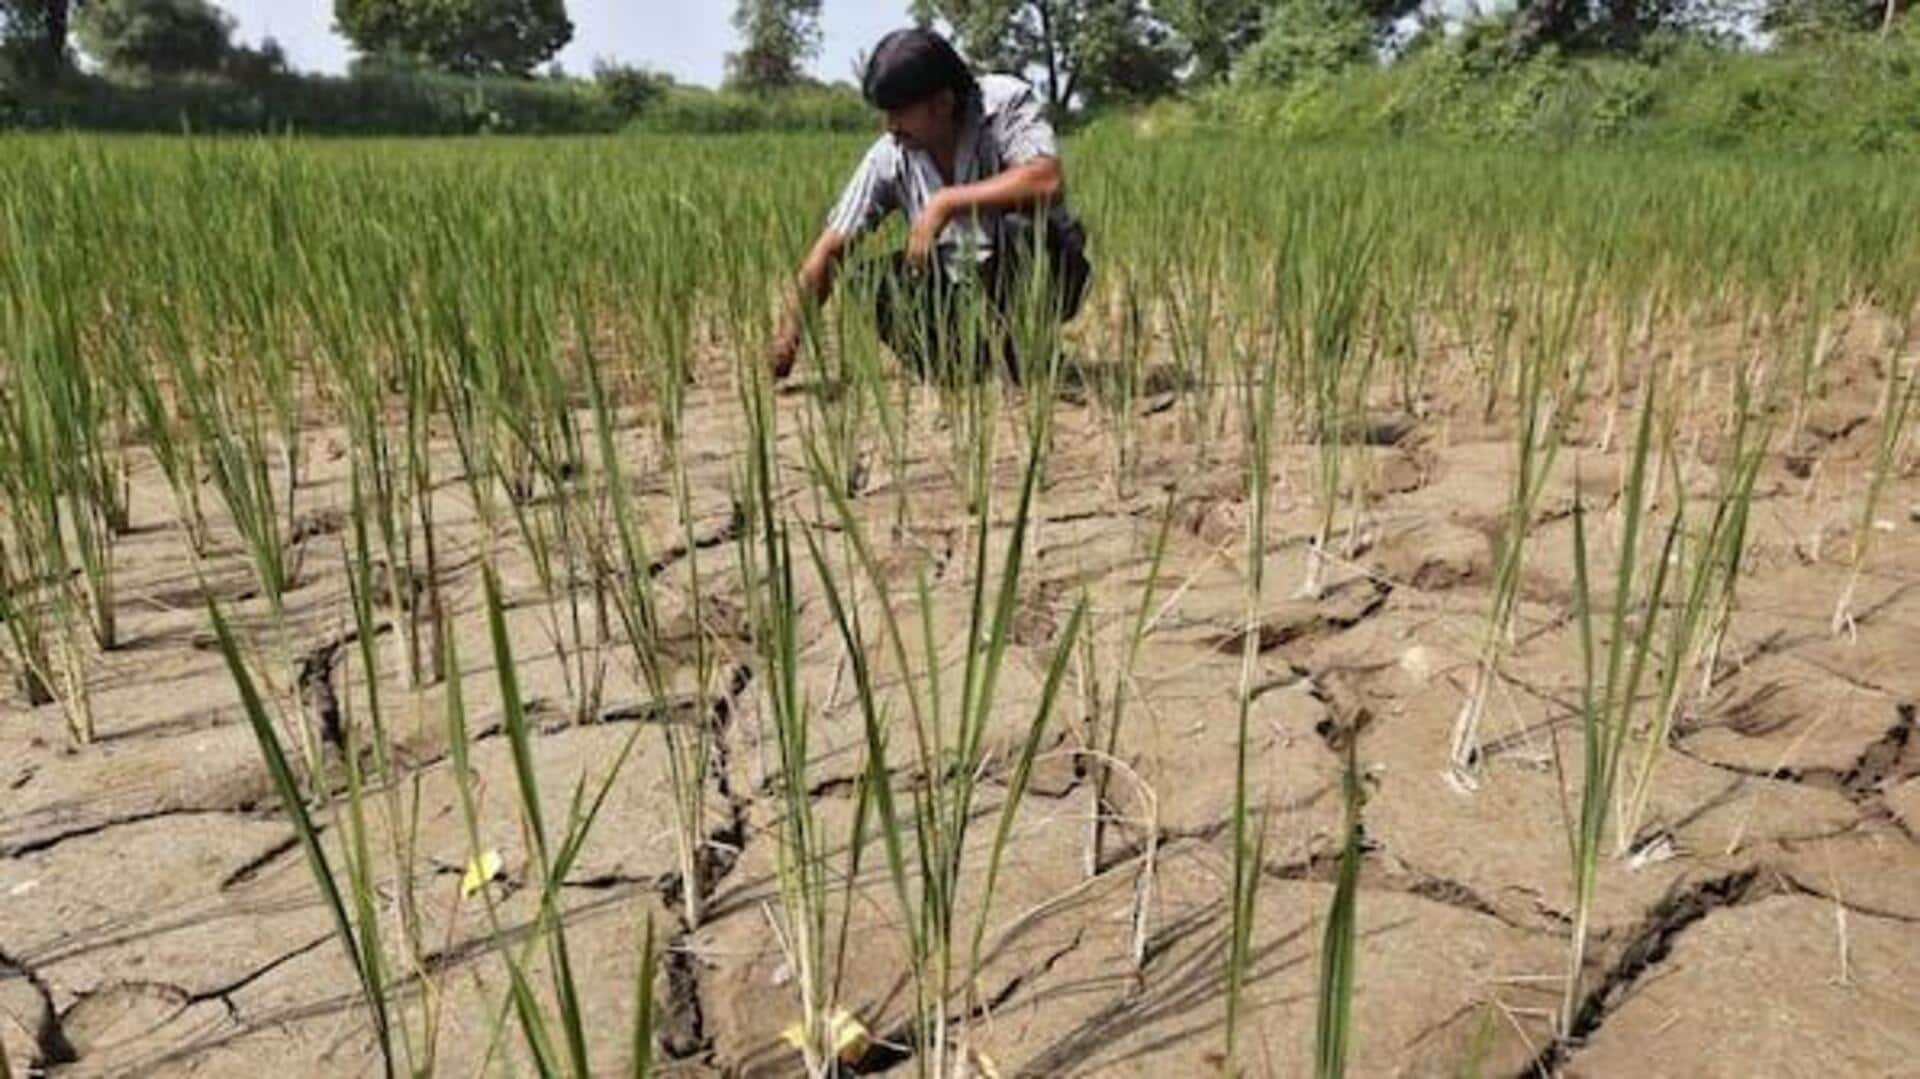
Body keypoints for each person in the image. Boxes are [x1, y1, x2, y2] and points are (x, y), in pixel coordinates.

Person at [770, 28, 1091, 381]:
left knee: (1022, 231)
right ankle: (963, 368)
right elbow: (831, 249)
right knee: (870, 281)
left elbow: (1046, 180)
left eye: (899, 112)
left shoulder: (1003, 105)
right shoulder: (890, 155)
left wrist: (947, 203)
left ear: (943, 103)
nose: (890, 126)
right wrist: (788, 339)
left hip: (1045, 268)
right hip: (961, 285)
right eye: (885, 114)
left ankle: (1025, 352)